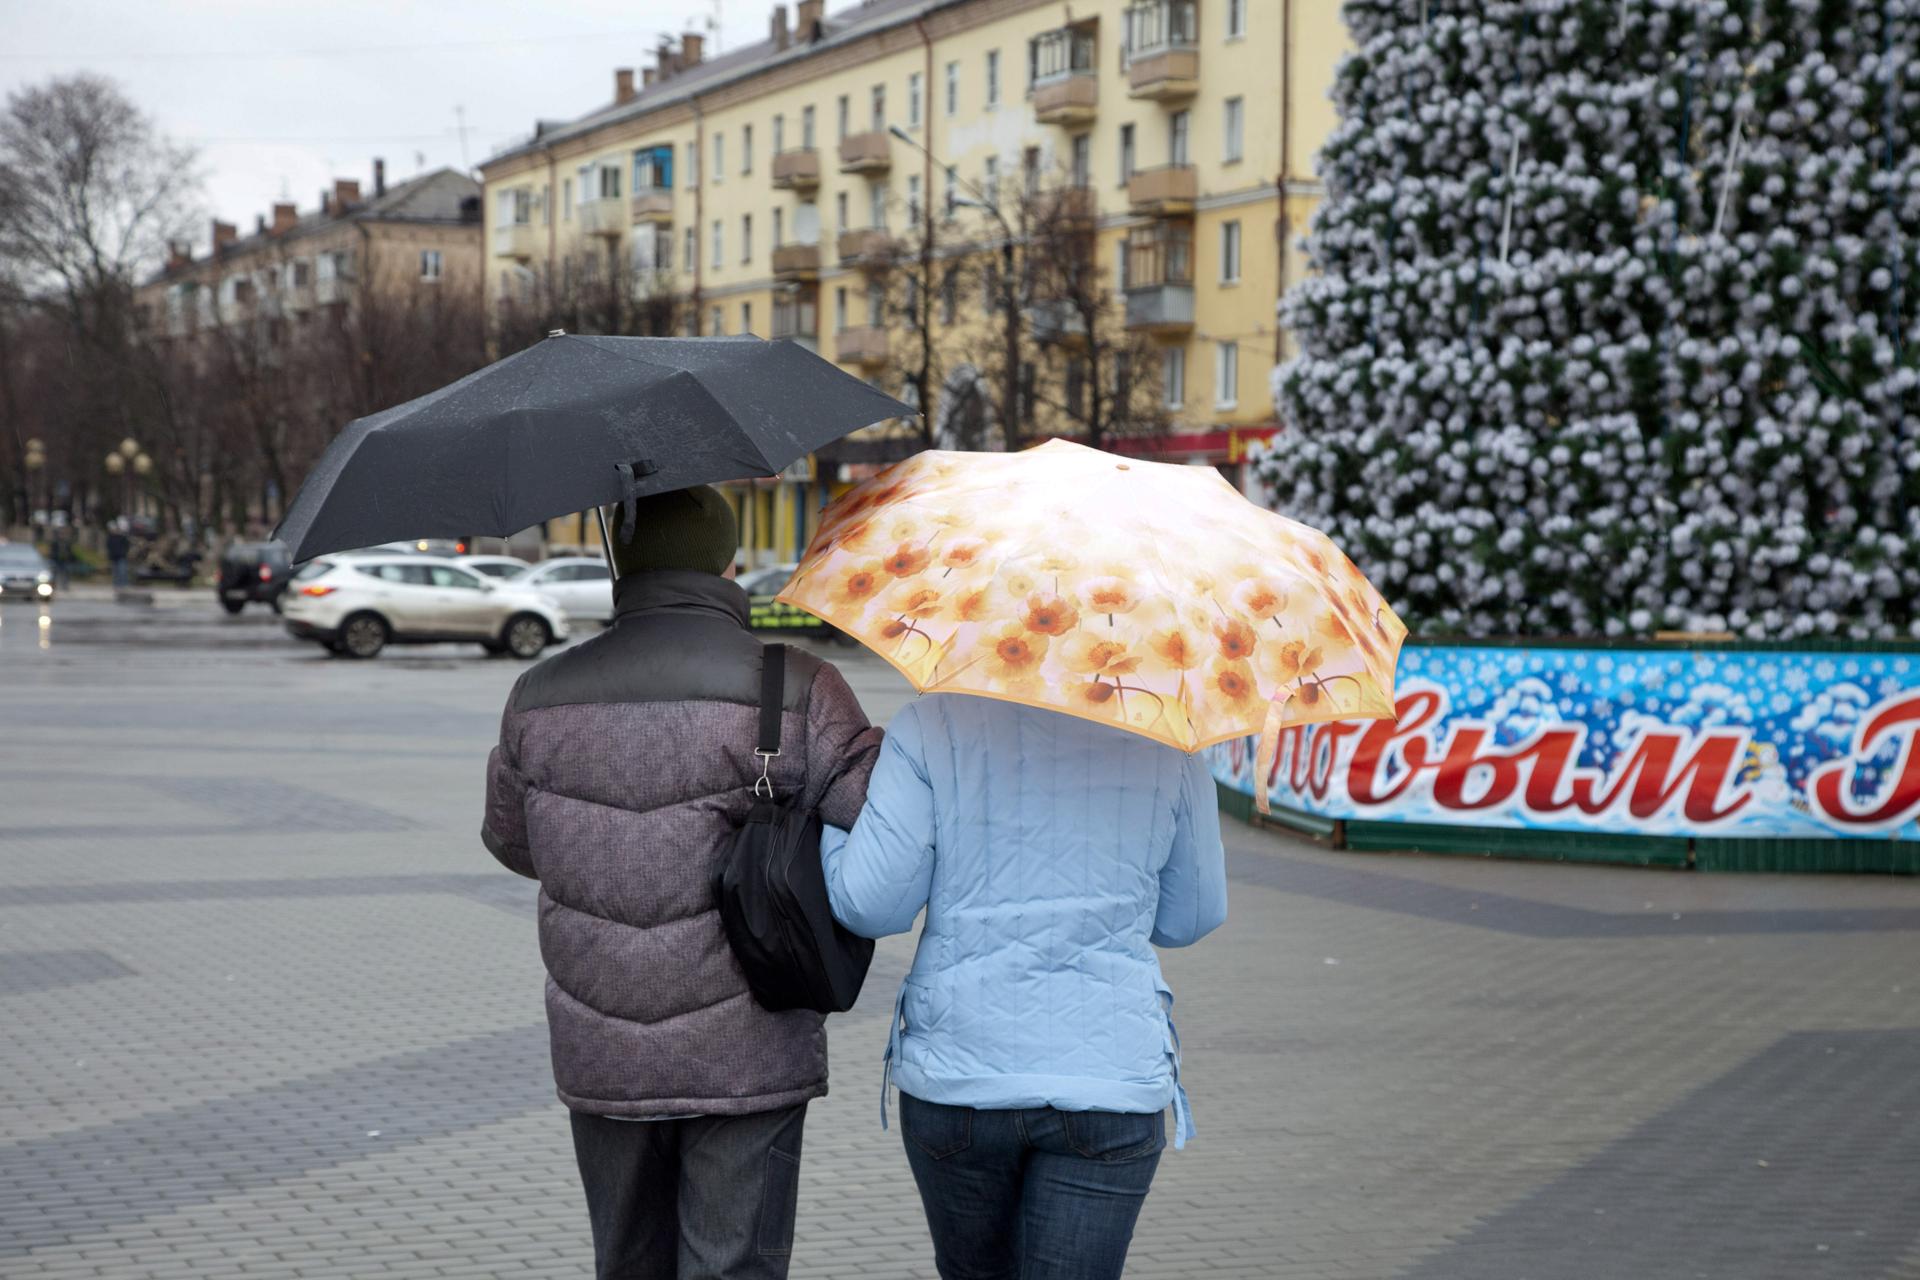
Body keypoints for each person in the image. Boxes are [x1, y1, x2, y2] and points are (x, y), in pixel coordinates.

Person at [481, 486, 882, 1280]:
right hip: (750, 1050)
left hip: (603, 1048)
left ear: (621, 564)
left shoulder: (537, 694)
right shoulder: (794, 685)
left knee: (627, 1265)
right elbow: (874, 830)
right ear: (726, 562)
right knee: (734, 1267)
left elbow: (513, 843)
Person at [822, 696, 1229, 1280]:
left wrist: (833, 836)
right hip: (1107, 1078)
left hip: (961, 1074)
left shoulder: (932, 723)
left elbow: (873, 905)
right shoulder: (1169, 736)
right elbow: (1189, 917)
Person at [105, 522, 131, 590]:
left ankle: (123, 585)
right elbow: (108, 546)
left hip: (121, 556)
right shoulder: (110, 538)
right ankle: (116, 585)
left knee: (122, 571)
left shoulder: (122, 537)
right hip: (114, 557)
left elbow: (127, 545)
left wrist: (124, 552)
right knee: (115, 572)